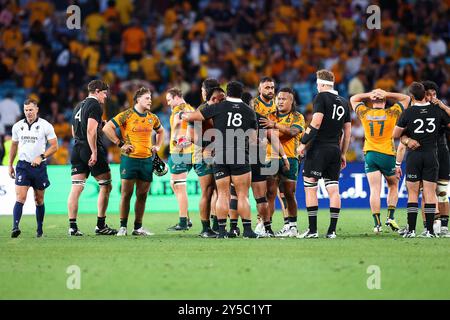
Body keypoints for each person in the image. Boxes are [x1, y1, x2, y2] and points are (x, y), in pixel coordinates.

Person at [181, 81, 259, 238]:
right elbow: (253, 139)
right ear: (241, 93)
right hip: (239, 154)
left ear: (227, 93)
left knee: (222, 194)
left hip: (220, 154)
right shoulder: (249, 111)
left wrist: (182, 114)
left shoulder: (218, 107)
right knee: (242, 195)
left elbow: (194, 116)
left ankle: (222, 231)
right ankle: (248, 231)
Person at [297, 69, 351, 239]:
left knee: (310, 187)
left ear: (320, 84)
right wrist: (343, 153)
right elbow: (347, 132)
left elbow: (317, 122)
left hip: (319, 148)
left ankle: (313, 230)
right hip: (335, 149)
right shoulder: (343, 101)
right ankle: (332, 231)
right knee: (333, 189)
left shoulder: (321, 97)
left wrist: (303, 142)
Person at [103, 87, 164, 236]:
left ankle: (137, 228)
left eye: (150, 98)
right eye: (147, 98)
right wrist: (120, 143)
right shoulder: (127, 115)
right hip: (129, 160)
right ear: (138, 100)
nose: (150, 100)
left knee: (142, 195)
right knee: (126, 193)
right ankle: (123, 226)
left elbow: (161, 131)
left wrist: (158, 145)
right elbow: (107, 127)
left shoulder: (153, 118)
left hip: (147, 160)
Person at [393, 82, 450, 238]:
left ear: (411, 96)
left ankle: (411, 230)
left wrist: (406, 140)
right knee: (431, 194)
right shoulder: (436, 111)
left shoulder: (408, 112)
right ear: (425, 94)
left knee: (413, 194)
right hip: (432, 154)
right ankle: (430, 231)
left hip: (415, 155)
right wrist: (443, 107)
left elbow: (395, 134)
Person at [350, 88, 410, 233]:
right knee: (393, 185)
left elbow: (353, 99)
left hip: (370, 154)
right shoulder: (391, 112)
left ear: (372, 101)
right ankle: (390, 217)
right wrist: (388, 94)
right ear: (384, 101)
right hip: (387, 154)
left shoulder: (365, 113)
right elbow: (406, 99)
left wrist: (368, 95)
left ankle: (377, 225)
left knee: (374, 190)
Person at [67, 80, 117, 236]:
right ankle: (100, 225)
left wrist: (98, 125)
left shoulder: (78, 105)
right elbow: (90, 130)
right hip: (90, 148)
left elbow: (74, 131)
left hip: (77, 148)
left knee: (76, 187)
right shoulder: (95, 105)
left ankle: (72, 227)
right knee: (106, 185)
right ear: (96, 91)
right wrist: (94, 152)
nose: (105, 96)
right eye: (104, 93)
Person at [8, 99, 58, 238]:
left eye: (30, 109)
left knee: (39, 199)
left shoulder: (45, 126)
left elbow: (54, 146)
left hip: (39, 167)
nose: (28, 112)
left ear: (36, 110)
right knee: (20, 197)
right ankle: (15, 227)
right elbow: (13, 146)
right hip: (23, 166)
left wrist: (41, 156)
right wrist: (10, 165)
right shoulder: (17, 126)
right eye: (26, 110)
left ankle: (40, 230)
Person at [260, 88, 304, 237]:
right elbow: (264, 136)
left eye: (284, 99)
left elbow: (292, 132)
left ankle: (292, 227)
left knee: (289, 193)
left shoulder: (297, 117)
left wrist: (275, 126)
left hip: (290, 158)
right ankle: (266, 227)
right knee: (270, 193)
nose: (279, 101)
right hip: (270, 157)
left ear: (292, 101)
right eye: (278, 98)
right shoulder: (268, 116)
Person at [189, 83, 225, 238]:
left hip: (218, 153)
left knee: (219, 190)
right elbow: (191, 135)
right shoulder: (201, 111)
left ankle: (217, 226)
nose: (225, 101)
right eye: (222, 98)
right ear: (215, 98)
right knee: (207, 190)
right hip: (202, 155)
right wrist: (208, 146)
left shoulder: (219, 111)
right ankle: (205, 228)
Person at [166, 87, 195, 231]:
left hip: (181, 151)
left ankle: (183, 222)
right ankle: (187, 219)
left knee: (179, 186)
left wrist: (178, 144)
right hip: (186, 150)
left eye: (169, 100)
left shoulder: (180, 108)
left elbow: (179, 122)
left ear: (176, 97)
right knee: (174, 184)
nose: (168, 103)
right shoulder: (190, 107)